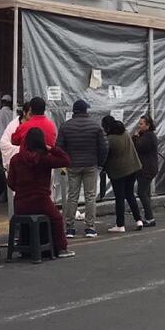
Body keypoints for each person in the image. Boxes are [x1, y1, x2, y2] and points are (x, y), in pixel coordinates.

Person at [8, 128, 73, 258]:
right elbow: (66, 160)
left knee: (26, 223)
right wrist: (51, 148)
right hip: (41, 201)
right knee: (56, 218)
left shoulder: (16, 159)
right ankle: (61, 248)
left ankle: (25, 248)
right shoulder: (45, 158)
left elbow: (10, 183)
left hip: (20, 203)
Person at [58, 99, 107, 238]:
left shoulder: (65, 126)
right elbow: (104, 147)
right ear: (85, 111)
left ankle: (70, 228)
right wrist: (100, 162)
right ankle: (90, 228)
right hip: (91, 164)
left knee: (72, 196)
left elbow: (59, 147)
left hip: (72, 165)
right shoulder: (95, 126)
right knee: (90, 196)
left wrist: (65, 162)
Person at [103, 116, 143, 232]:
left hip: (118, 171)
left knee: (120, 198)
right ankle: (139, 220)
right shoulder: (125, 133)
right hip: (133, 167)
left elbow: (105, 156)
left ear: (107, 127)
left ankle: (120, 225)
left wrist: (103, 166)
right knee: (130, 195)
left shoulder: (109, 139)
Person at [132, 115, 159, 227]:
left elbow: (138, 146)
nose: (139, 126)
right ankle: (148, 216)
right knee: (145, 192)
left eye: (141, 124)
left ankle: (150, 217)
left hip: (147, 168)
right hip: (146, 167)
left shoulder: (149, 136)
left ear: (148, 125)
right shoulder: (146, 135)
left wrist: (135, 136)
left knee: (142, 192)